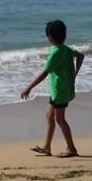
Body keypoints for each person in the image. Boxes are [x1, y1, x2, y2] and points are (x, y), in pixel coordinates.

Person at [20, 20, 84, 158]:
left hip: (59, 92)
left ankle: (71, 149)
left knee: (60, 119)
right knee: (50, 116)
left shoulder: (54, 53)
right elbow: (81, 56)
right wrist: (75, 74)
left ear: (49, 37)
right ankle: (47, 147)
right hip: (60, 90)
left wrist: (28, 88)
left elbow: (44, 73)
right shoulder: (66, 49)